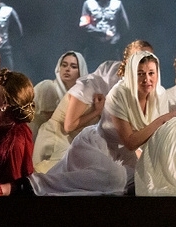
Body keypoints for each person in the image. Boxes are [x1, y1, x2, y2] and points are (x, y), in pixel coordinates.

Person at [27, 50, 176, 195]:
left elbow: (152, 139)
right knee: (116, 178)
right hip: (95, 146)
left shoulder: (160, 94)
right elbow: (130, 142)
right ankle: (36, 184)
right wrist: (163, 119)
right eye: (140, 74)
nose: (147, 79)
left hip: (124, 155)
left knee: (146, 179)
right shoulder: (118, 94)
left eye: (151, 73)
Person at [31, 40, 152, 173]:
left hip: (75, 143)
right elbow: (68, 125)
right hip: (56, 140)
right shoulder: (88, 87)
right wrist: (97, 111)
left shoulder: (123, 95)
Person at [30, 51, 87, 137]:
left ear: (81, 71)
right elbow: (56, 125)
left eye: (73, 66)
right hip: (36, 138)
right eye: (64, 65)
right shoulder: (48, 87)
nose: (67, 69)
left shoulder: (78, 96)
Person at [79, 0, 129, 65]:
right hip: (93, 49)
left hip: (112, 49)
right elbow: (84, 25)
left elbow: (124, 26)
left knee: (113, 72)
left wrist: (115, 39)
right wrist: (103, 33)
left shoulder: (117, 4)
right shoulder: (88, 4)